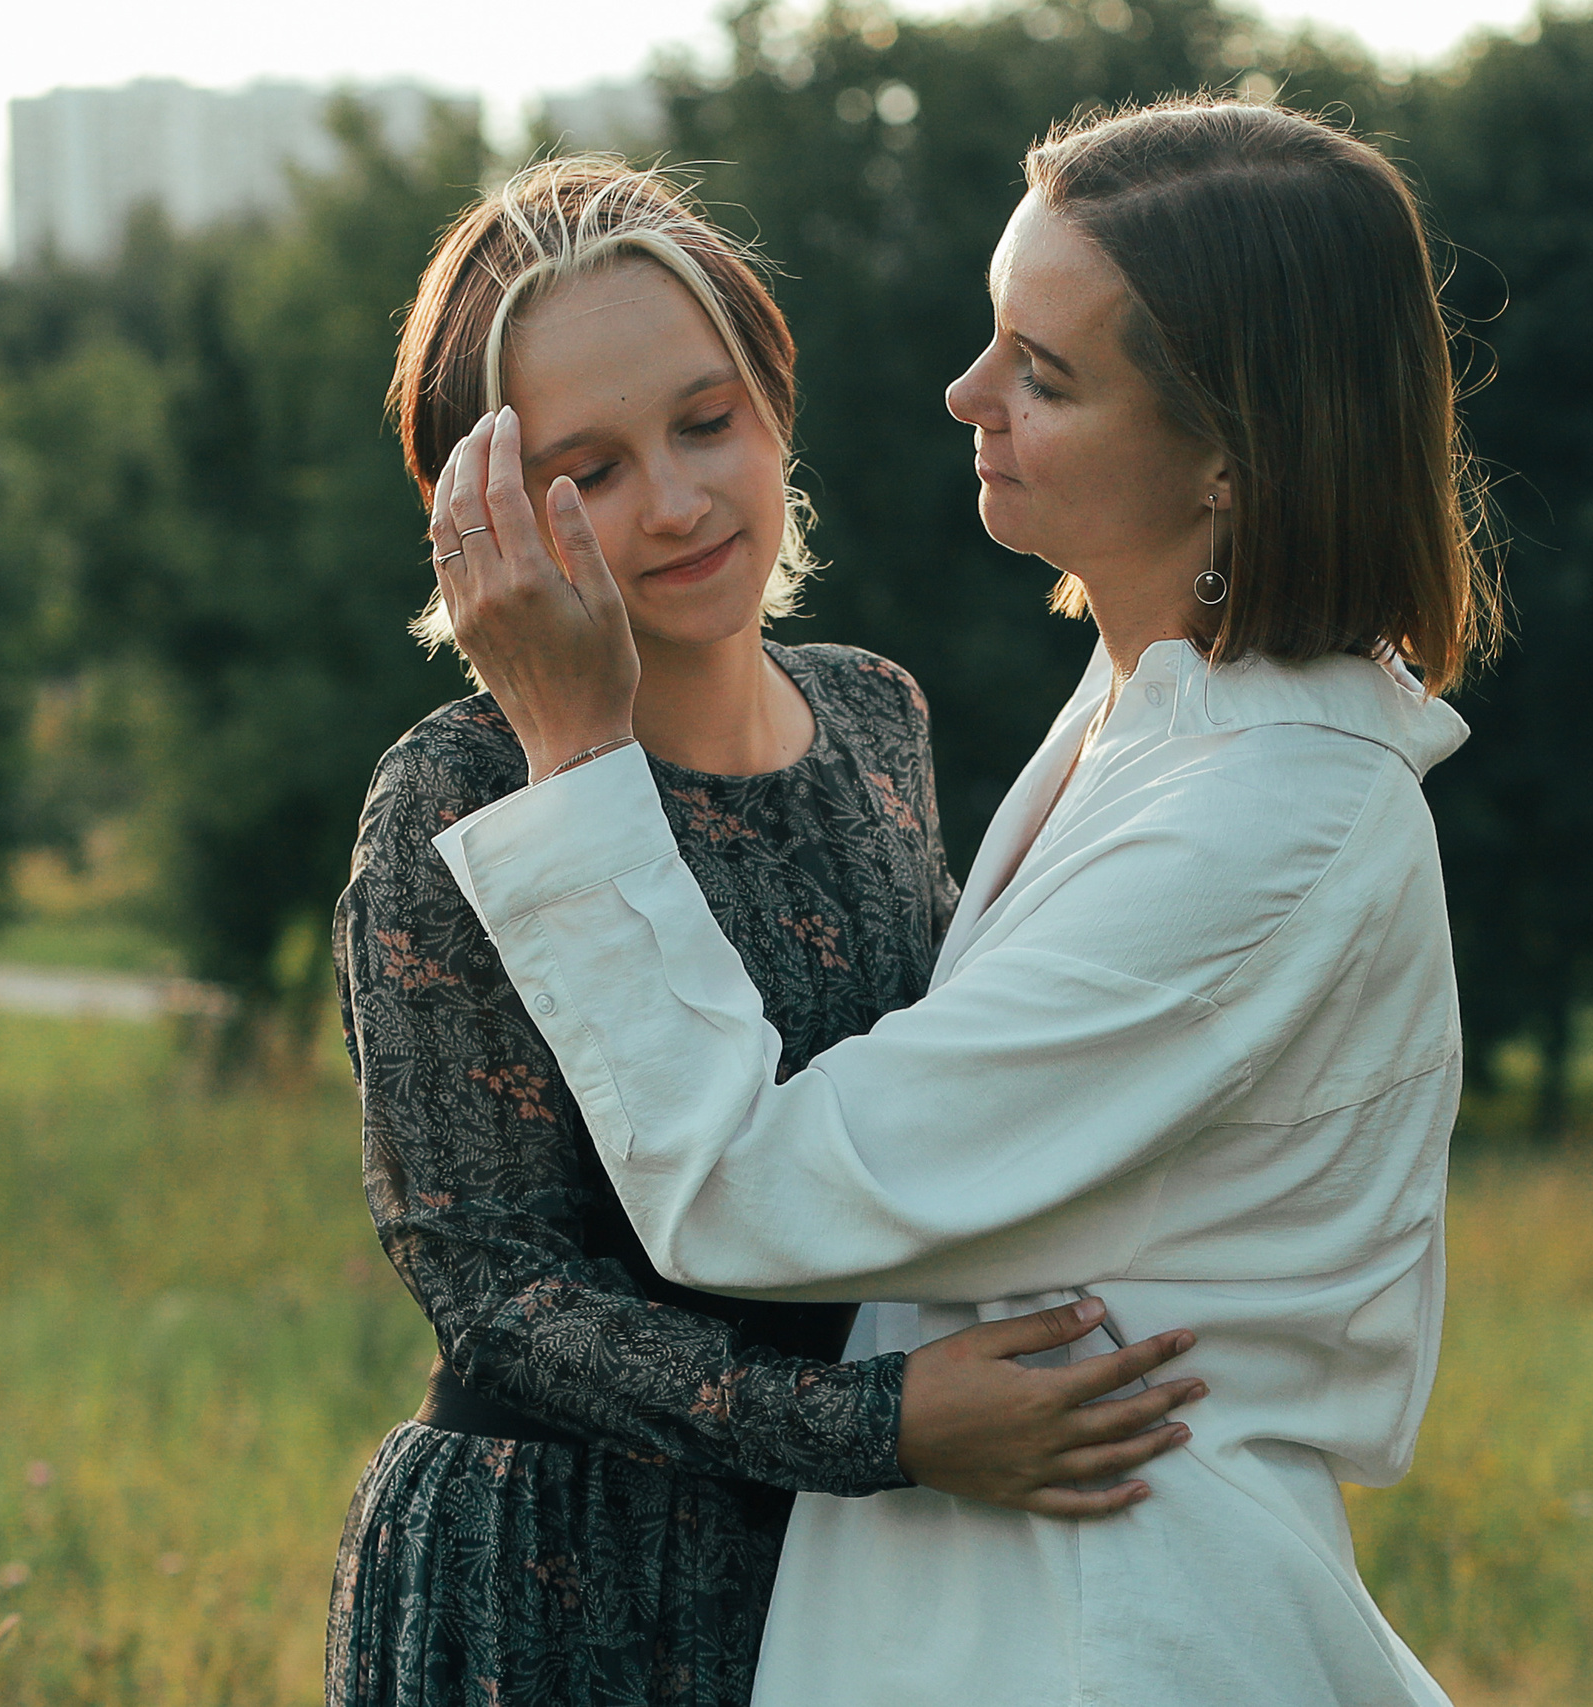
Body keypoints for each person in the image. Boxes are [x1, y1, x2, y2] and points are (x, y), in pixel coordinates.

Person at [425, 100, 1501, 1706]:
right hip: (975, 1587)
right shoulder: (1155, 705)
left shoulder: (1269, 820)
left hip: (1096, 1613)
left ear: (1231, 454)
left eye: (1044, 374)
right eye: (998, 334)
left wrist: (579, 754)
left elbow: (745, 1186)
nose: (963, 393)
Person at [326, 155, 1202, 1707]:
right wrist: (883, 1428)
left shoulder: (875, 718)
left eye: (705, 421)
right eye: (584, 471)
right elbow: (498, 1293)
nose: (670, 503)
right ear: (485, 518)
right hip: (562, 1580)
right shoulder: (453, 795)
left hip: (868, 1574)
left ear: (775, 407)